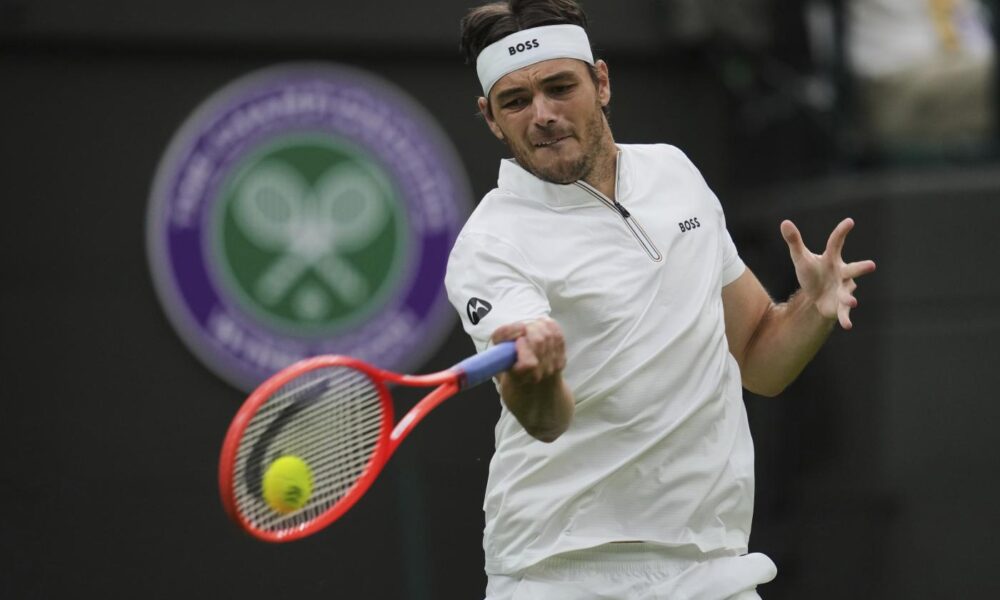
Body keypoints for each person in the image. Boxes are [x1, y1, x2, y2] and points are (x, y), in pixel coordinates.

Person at [444, 1, 877, 598]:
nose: (542, 114)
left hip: (711, 565)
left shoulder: (675, 173)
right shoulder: (490, 244)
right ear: (490, 118)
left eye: (559, 87)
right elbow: (545, 421)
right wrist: (534, 376)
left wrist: (813, 307)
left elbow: (759, 357)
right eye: (515, 101)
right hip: (560, 573)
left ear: (601, 82)